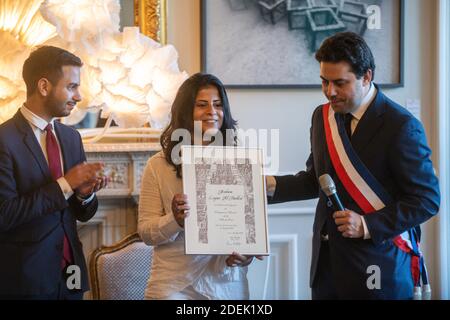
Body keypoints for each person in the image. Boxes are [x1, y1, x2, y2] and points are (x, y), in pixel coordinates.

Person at [266, 32, 440, 299]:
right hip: (327, 268)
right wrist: (270, 186)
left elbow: (427, 199)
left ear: (366, 77)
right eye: (324, 81)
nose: (329, 92)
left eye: (339, 83)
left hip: (379, 268)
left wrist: (367, 225)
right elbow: (317, 180)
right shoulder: (321, 116)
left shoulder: (401, 126)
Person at [138, 73, 261, 300]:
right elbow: (146, 233)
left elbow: (249, 230)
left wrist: (247, 254)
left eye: (218, 105)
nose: (212, 112)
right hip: (173, 284)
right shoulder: (158, 165)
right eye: (202, 105)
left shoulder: (241, 162)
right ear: (186, 112)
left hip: (226, 282)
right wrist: (174, 219)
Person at [0, 46, 108, 300]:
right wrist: (65, 184)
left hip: (71, 277)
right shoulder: (4, 140)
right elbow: (4, 214)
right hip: (25, 281)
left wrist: (85, 195)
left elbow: (82, 214)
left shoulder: (71, 138)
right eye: (71, 87)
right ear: (44, 86)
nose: (78, 96)